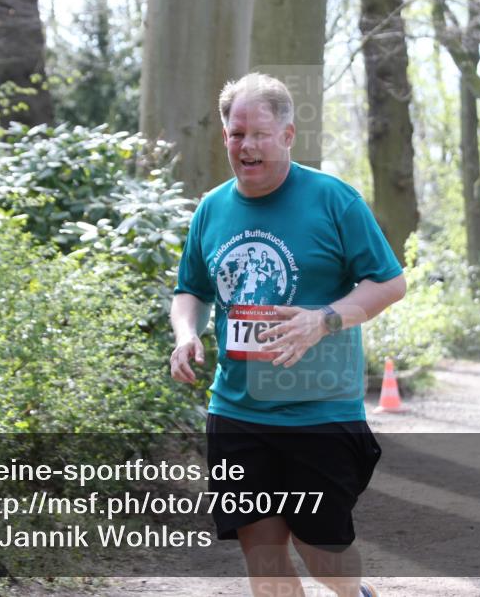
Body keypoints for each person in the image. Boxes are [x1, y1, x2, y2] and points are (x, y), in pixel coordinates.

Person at [169, 73, 405, 597]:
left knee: (325, 560)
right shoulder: (212, 208)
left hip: (321, 412)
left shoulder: (333, 200)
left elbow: (389, 282)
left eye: (258, 133)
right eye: (236, 133)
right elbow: (191, 290)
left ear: (289, 135)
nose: (246, 146)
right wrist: (188, 333)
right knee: (268, 569)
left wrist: (325, 319)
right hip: (237, 412)